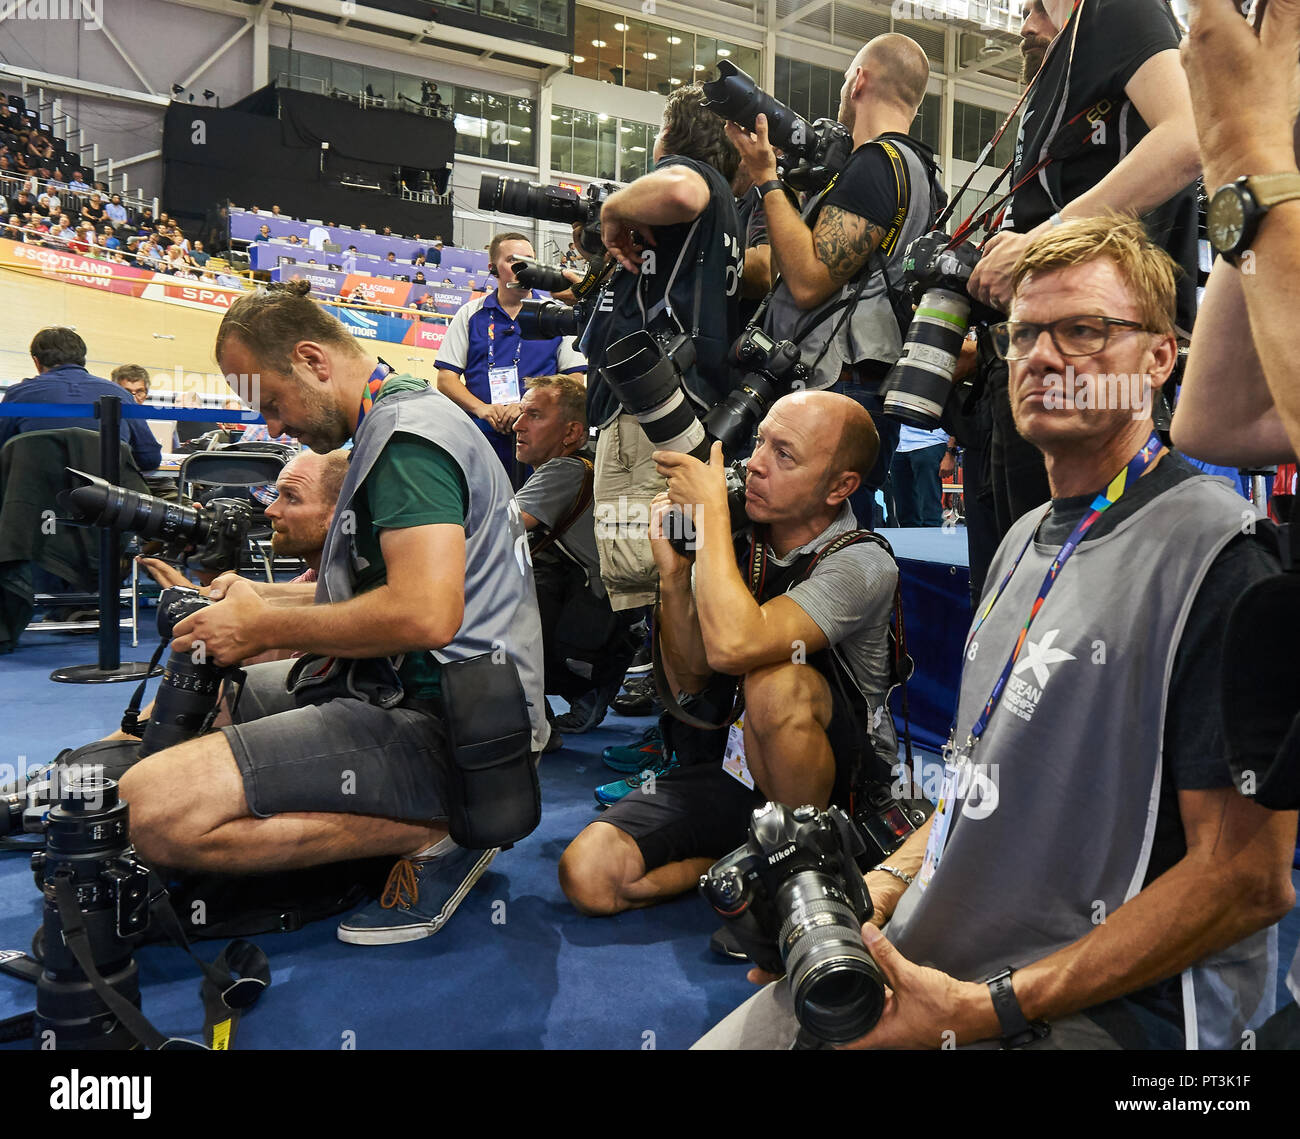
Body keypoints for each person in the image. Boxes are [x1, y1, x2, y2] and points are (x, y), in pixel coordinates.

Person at [694, 215, 1298, 1051]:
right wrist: (873, 890)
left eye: (1085, 330)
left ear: (1159, 358)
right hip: (948, 952)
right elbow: (981, 780)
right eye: (1024, 334)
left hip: (1105, 1008)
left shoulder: (1223, 560)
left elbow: (1247, 881)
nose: (1044, 357)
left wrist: (991, 1007)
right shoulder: (1022, 538)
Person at [116, 280, 549, 946]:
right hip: (410, 693)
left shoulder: (408, 436)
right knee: (214, 689)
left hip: (453, 731)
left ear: (315, 361)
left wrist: (263, 625)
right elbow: (374, 596)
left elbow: (426, 614)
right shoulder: (396, 419)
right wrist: (249, 602)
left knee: (151, 809)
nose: (274, 428)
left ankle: (445, 826)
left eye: (274, 403)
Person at [559, 391, 899, 917]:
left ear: (841, 487)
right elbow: (693, 679)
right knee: (589, 876)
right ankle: (754, 862)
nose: (755, 464)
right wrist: (673, 577)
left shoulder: (862, 562)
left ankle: (805, 876)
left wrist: (713, 521)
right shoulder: (738, 539)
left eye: (784, 454)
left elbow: (737, 645)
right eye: (760, 441)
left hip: (836, 790)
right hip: (733, 770)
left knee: (776, 682)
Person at [960, 0, 1203, 601]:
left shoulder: (1117, 9)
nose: (1021, 21)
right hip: (1033, 350)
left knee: (1076, 601)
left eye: (1032, 11)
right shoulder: (1061, 67)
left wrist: (1045, 237)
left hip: (1089, 346)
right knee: (1012, 594)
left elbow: (1186, 137)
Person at [725, 33, 942, 522]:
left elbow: (806, 280)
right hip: (864, 377)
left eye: (847, 78)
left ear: (860, 80)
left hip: (833, 383)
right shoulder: (923, 173)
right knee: (842, 526)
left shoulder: (875, 164)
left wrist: (765, 178)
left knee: (811, 536)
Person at [578, 84, 744, 612]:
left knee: (642, 579)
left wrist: (611, 209)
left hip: (651, 416)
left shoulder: (693, 180)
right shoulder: (726, 204)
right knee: (678, 567)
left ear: (670, 135)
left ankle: (652, 684)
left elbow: (680, 191)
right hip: (685, 409)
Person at [513, 374, 640, 740]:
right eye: (521, 413)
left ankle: (553, 706)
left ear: (570, 433)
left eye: (534, 415)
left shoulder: (563, 469)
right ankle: (580, 688)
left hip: (597, 614)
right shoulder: (587, 461)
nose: (519, 425)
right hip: (614, 610)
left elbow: (500, 528)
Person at [435, 231, 587, 484]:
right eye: (513, 260)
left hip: (540, 442)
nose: (523, 267)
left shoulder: (560, 316)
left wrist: (526, 408)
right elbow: (445, 379)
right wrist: (483, 409)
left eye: (529, 259)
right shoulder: (471, 313)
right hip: (481, 434)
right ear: (493, 268)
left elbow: (575, 380)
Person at [0, 327, 161, 471]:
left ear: (36, 361)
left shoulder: (18, 395)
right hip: (104, 499)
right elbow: (150, 458)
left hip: (36, 498)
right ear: (82, 358)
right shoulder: (120, 395)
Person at [889, 424, 949, 527]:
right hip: (897, 445)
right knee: (905, 514)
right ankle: (909, 541)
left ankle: (933, 539)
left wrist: (950, 452)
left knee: (930, 512)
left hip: (929, 442)